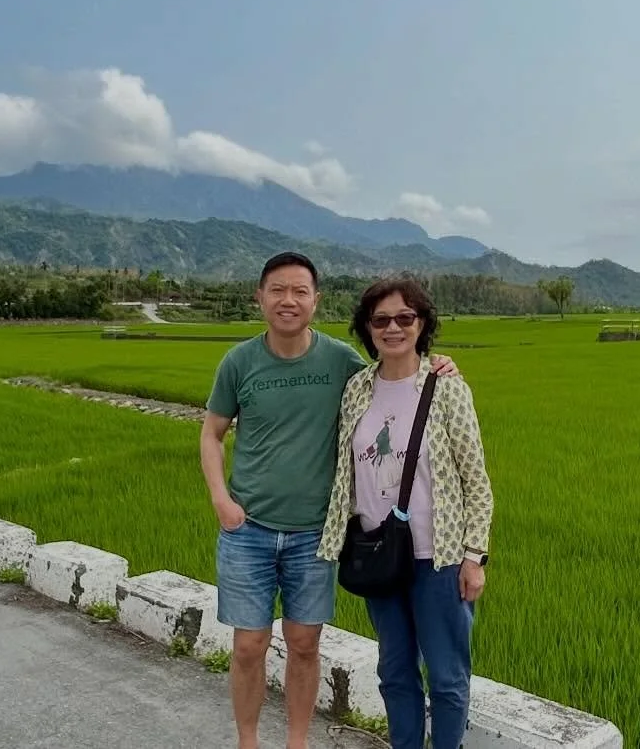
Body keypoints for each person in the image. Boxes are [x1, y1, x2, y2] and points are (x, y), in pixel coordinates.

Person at [199, 252, 459, 749]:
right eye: (278, 290)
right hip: (247, 529)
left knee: (303, 643)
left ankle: (297, 742)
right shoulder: (239, 362)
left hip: (316, 535)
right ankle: (248, 741)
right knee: (249, 645)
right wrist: (220, 499)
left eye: (300, 291)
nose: (288, 301)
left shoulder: (341, 362)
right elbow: (212, 433)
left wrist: (438, 365)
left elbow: (394, 376)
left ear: (316, 300)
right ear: (260, 297)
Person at [318, 275, 494, 749]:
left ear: (422, 323)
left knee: (447, 677)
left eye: (404, 317)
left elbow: (475, 478)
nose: (392, 327)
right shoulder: (356, 388)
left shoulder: (446, 388)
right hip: (379, 555)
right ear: (367, 328)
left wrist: (475, 556)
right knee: (394, 671)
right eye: (381, 320)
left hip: (438, 558)